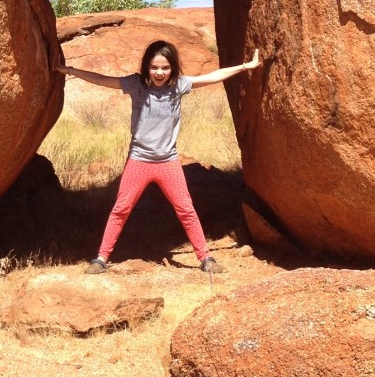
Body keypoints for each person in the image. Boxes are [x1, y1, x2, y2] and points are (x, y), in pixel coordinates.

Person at [57, 39, 261, 275]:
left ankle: (206, 258)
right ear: (147, 67)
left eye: (165, 67)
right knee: (121, 209)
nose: (159, 72)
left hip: (168, 162)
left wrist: (244, 67)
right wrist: (69, 71)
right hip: (139, 161)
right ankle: (101, 259)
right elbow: (102, 79)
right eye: (154, 67)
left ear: (173, 67)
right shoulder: (136, 85)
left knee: (186, 209)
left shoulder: (180, 86)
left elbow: (214, 76)